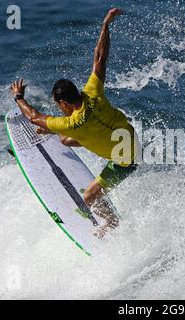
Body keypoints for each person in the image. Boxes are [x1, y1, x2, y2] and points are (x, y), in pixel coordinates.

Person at [10, 8, 136, 237]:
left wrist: (19, 97)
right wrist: (106, 24)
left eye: (58, 105)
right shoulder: (92, 90)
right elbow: (100, 57)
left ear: (64, 103)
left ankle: (111, 223)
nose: (59, 109)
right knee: (66, 140)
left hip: (125, 161)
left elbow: (33, 116)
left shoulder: (71, 122)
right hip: (129, 137)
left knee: (88, 197)